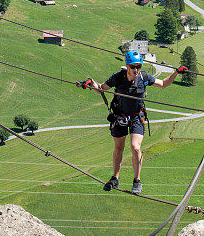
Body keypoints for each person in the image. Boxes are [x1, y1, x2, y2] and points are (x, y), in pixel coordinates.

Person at [80, 50, 187, 194]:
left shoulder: (144, 77)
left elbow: (163, 84)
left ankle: (137, 180)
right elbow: (101, 89)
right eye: (133, 67)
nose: (136, 70)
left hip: (137, 116)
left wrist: (176, 73)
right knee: (118, 148)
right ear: (127, 65)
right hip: (119, 115)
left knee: (135, 147)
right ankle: (115, 178)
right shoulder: (118, 77)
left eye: (139, 66)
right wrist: (91, 82)